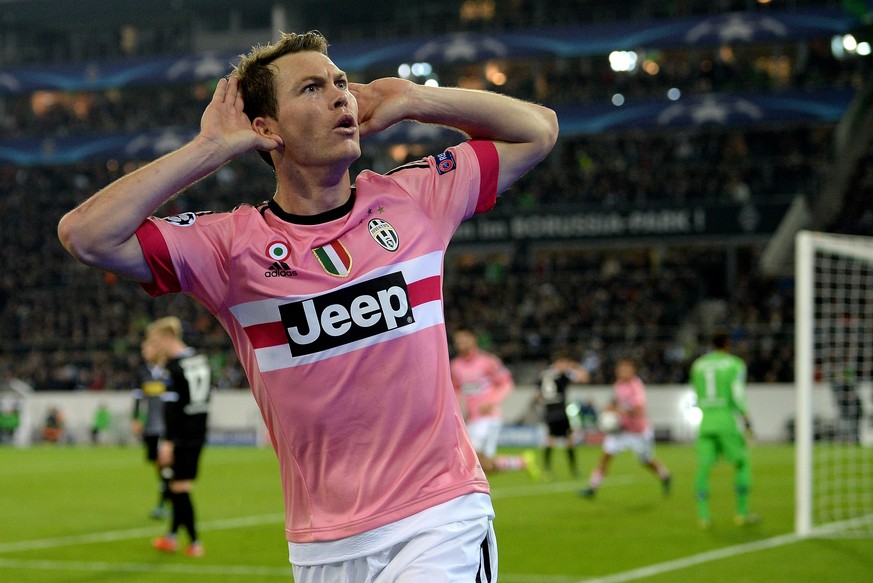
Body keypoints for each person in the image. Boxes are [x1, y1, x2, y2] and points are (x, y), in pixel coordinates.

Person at [57, 30, 558, 581]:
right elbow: (87, 235)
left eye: (341, 82)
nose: (341, 95)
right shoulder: (230, 248)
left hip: (439, 518)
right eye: (313, 88)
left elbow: (538, 131)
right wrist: (209, 149)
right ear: (265, 129)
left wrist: (415, 99)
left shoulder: (412, 199)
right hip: (323, 547)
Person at [144, 317, 212, 557]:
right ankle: (171, 537)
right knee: (177, 486)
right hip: (198, 432)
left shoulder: (173, 368)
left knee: (179, 489)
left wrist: (168, 442)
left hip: (181, 436)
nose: (154, 346)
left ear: (167, 337)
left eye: (155, 340)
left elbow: (172, 411)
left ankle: (194, 543)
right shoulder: (201, 360)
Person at [690, 332, 759, 528]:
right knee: (742, 463)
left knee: (703, 468)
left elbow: (696, 392)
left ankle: (703, 516)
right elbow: (738, 395)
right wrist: (747, 424)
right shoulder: (734, 364)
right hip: (726, 421)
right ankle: (741, 513)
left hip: (705, 422)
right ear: (728, 344)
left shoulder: (698, 365)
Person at [451, 328, 541, 480]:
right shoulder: (455, 366)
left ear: (473, 340)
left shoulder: (487, 361)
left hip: (488, 418)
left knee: (472, 459)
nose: (461, 344)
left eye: (464, 339)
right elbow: (455, 390)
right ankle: (522, 462)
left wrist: (491, 402)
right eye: (457, 341)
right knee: (483, 465)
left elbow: (507, 383)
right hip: (471, 420)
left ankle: (477, 496)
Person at [579, 357, 671, 499]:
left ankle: (665, 476)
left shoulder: (636, 386)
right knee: (605, 457)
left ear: (633, 370)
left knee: (646, 461)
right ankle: (592, 487)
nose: (622, 371)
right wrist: (610, 406)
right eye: (620, 368)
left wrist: (617, 410)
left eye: (626, 369)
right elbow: (617, 401)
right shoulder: (618, 385)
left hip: (638, 432)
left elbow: (639, 410)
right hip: (620, 430)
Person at [131, 333, 171, 520]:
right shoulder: (142, 372)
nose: (144, 351)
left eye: (147, 347)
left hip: (167, 427)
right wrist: (136, 419)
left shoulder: (169, 371)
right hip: (151, 427)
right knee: (159, 467)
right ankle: (167, 501)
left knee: (166, 465)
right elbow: (138, 399)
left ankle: (166, 504)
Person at [537, 354, 589, 478]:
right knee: (567, 440)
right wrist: (574, 366)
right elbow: (584, 378)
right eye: (564, 363)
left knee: (552, 439)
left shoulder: (544, 374)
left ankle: (547, 469)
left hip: (548, 410)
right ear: (558, 363)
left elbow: (537, 394)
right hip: (559, 409)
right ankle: (573, 469)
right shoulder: (563, 375)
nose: (565, 366)